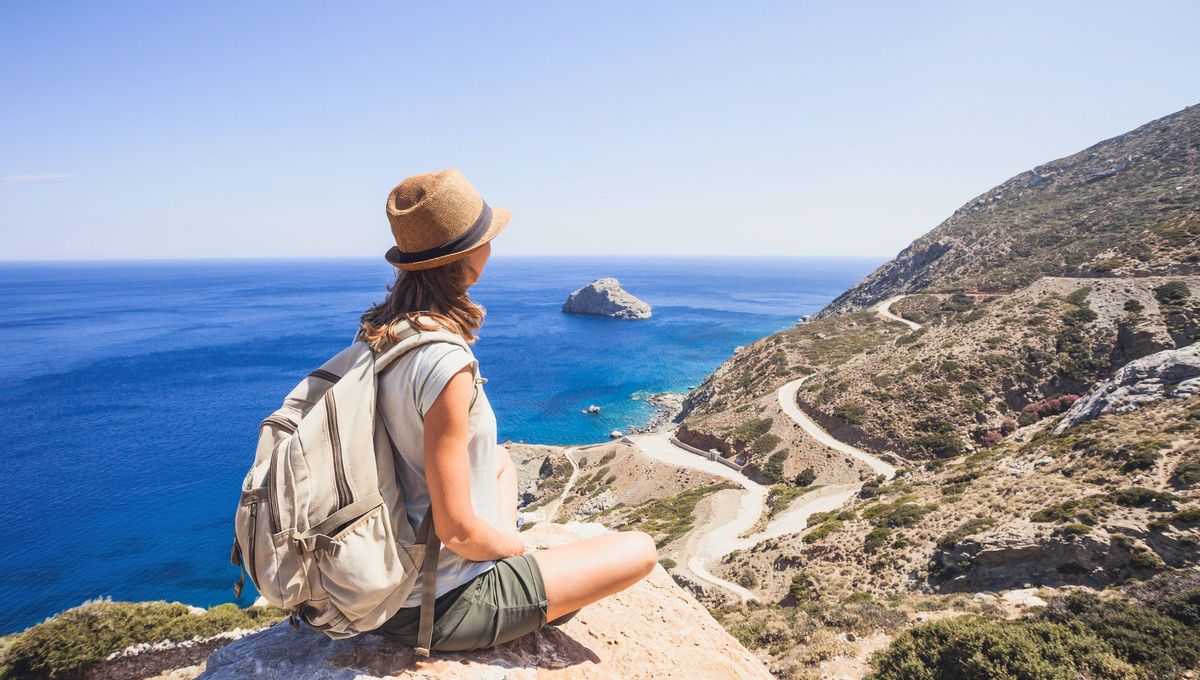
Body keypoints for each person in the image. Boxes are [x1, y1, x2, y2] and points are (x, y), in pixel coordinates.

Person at [360, 168, 658, 652]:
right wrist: (513, 548)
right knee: (639, 550)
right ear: (468, 259)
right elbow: (455, 530)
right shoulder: (445, 362)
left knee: (498, 460)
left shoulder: (380, 334)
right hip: (437, 604)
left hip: (383, 576)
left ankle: (497, 563)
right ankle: (502, 575)